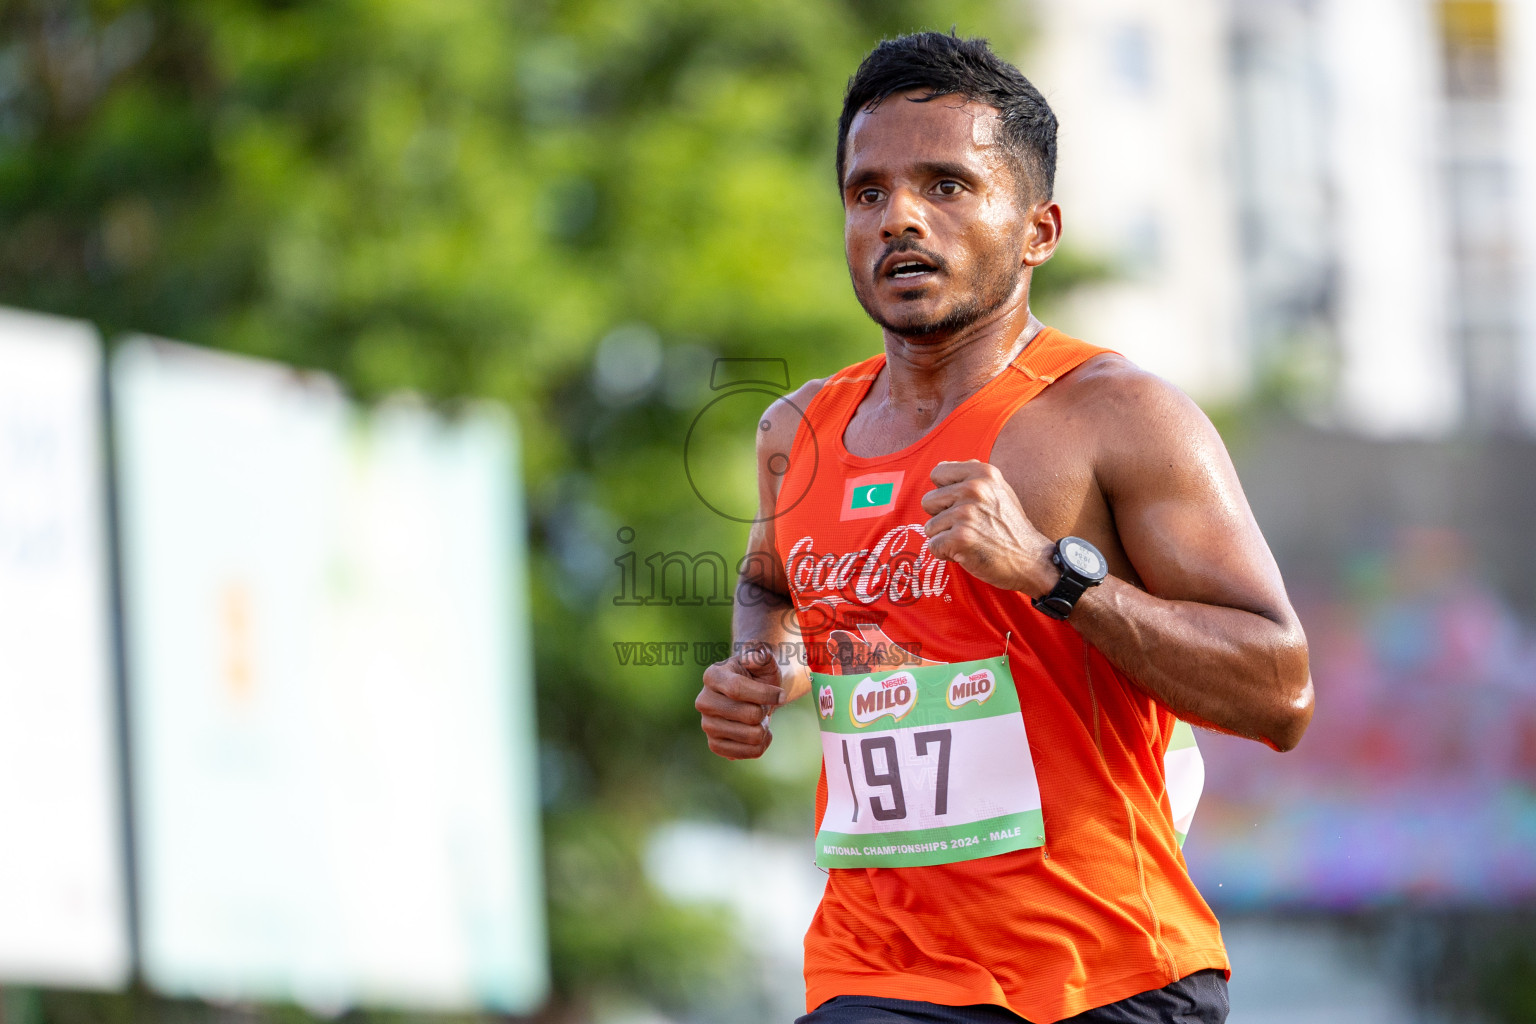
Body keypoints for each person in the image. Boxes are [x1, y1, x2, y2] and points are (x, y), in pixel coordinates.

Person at [694, 32, 1312, 1024]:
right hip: (876, 969)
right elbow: (774, 584)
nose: (899, 216)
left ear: (1038, 229)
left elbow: (1281, 689)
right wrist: (763, 665)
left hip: (1100, 972)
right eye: (868, 192)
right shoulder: (794, 433)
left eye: (946, 186)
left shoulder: (1116, 415)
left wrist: (1053, 573)